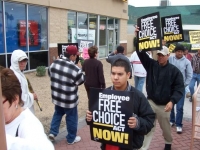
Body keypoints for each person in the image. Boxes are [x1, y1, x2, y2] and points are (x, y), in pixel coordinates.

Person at [86, 59, 155, 150]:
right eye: (113, 73)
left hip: (130, 146)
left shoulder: (138, 96)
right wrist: (90, 118)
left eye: (120, 74)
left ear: (128, 75)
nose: (115, 77)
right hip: (108, 145)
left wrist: (137, 123)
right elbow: (96, 119)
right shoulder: (103, 95)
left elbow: (149, 121)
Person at [135, 28, 184, 150]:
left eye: (163, 55)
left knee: (166, 128)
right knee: (148, 126)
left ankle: (168, 143)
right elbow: (141, 53)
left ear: (168, 55)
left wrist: (172, 101)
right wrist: (138, 37)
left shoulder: (174, 71)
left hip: (165, 105)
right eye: (159, 55)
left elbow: (179, 88)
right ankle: (143, 147)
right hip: (151, 102)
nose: (160, 57)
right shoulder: (151, 65)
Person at [1, 68, 54, 150]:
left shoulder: (29, 124)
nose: (23, 63)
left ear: (15, 99)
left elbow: (45, 147)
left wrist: (5, 141)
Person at [48, 45, 84, 144]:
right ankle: (71, 138)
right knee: (71, 118)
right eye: (76, 55)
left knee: (58, 113)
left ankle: (53, 132)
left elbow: (49, 73)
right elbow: (80, 81)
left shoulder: (54, 63)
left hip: (57, 97)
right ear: (72, 56)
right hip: (69, 100)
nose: (76, 57)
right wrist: (80, 69)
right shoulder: (74, 69)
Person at [168, 45, 192, 134]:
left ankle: (179, 125)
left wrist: (184, 84)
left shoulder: (187, 62)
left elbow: (189, 75)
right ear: (175, 51)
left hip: (180, 88)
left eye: (181, 51)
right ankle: (172, 120)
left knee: (180, 107)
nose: (180, 53)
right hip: (170, 87)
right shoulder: (170, 59)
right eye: (178, 51)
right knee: (171, 105)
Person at [10, 49, 37, 114]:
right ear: (15, 61)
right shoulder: (15, 76)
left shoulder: (18, 73)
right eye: (20, 61)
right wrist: (32, 96)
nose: (23, 63)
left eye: (25, 60)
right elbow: (21, 99)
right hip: (21, 112)